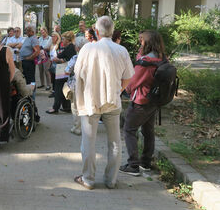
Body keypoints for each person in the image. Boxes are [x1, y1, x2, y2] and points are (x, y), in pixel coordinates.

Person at [73, 16, 134, 189]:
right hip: (113, 101)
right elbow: (128, 77)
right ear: (112, 31)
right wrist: (117, 90)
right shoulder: (121, 50)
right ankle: (111, 180)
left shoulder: (87, 49)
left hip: (90, 101)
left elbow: (78, 73)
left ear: (97, 31)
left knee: (88, 142)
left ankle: (88, 179)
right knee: (115, 142)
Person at [120, 30, 165, 176]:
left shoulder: (145, 63)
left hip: (141, 100)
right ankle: (146, 163)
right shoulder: (161, 58)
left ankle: (133, 165)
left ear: (148, 42)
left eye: (142, 40)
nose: (140, 42)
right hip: (154, 100)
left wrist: (126, 89)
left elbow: (133, 82)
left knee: (129, 129)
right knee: (148, 131)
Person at [46, 31, 76, 114]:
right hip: (66, 72)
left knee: (58, 89)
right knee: (64, 88)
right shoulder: (70, 47)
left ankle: (55, 107)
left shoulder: (70, 48)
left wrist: (58, 59)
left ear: (68, 40)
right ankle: (66, 107)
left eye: (63, 39)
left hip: (64, 71)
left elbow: (70, 59)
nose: (62, 41)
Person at [65, 37, 88, 135]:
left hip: (76, 85)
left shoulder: (75, 58)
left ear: (77, 47)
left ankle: (77, 127)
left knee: (75, 107)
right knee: (86, 106)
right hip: (88, 85)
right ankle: (87, 128)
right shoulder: (90, 57)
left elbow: (67, 71)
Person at [48, 31, 61, 97]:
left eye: (54, 36)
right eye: (52, 36)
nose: (52, 37)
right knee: (52, 78)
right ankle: (54, 91)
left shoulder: (58, 45)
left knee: (57, 78)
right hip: (52, 63)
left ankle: (57, 92)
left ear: (57, 37)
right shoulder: (52, 45)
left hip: (58, 63)